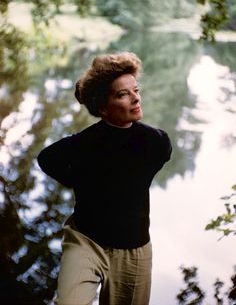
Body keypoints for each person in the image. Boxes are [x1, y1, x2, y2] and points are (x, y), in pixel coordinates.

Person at [37, 51, 172, 305]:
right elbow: (46, 159)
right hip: (86, 241)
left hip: (133, 250)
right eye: (123, 94)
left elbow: (144, 169)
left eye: (136, 90)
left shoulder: (156, 142)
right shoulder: (85, 142)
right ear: (103, 108)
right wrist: (81, 181)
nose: (136, 98)